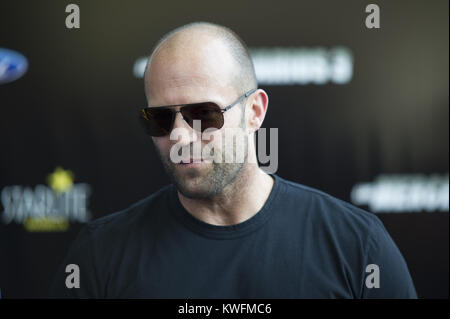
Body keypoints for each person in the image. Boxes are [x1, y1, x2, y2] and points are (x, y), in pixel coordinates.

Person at [50, 22, 417, 298]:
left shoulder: (355, 246)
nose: (179, 136)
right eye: (160, 119)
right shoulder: (101, 255)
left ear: (254, 112)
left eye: (203, 113)